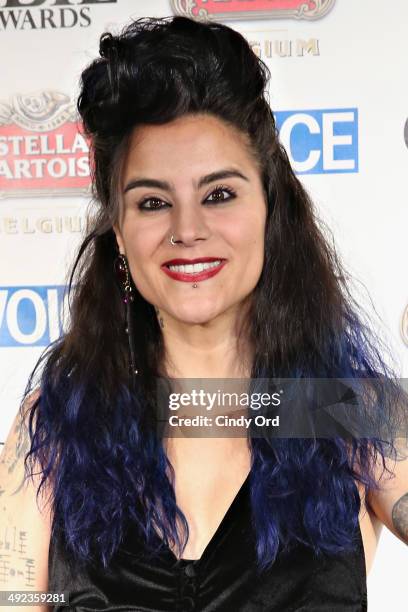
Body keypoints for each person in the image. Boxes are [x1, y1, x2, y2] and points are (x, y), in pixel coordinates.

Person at [1, 15, 407, 612]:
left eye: (219, 194)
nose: (187, 230)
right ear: (119, 231)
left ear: (271, 206)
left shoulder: (342, 408)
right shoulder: (64, 421)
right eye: (153, 202)